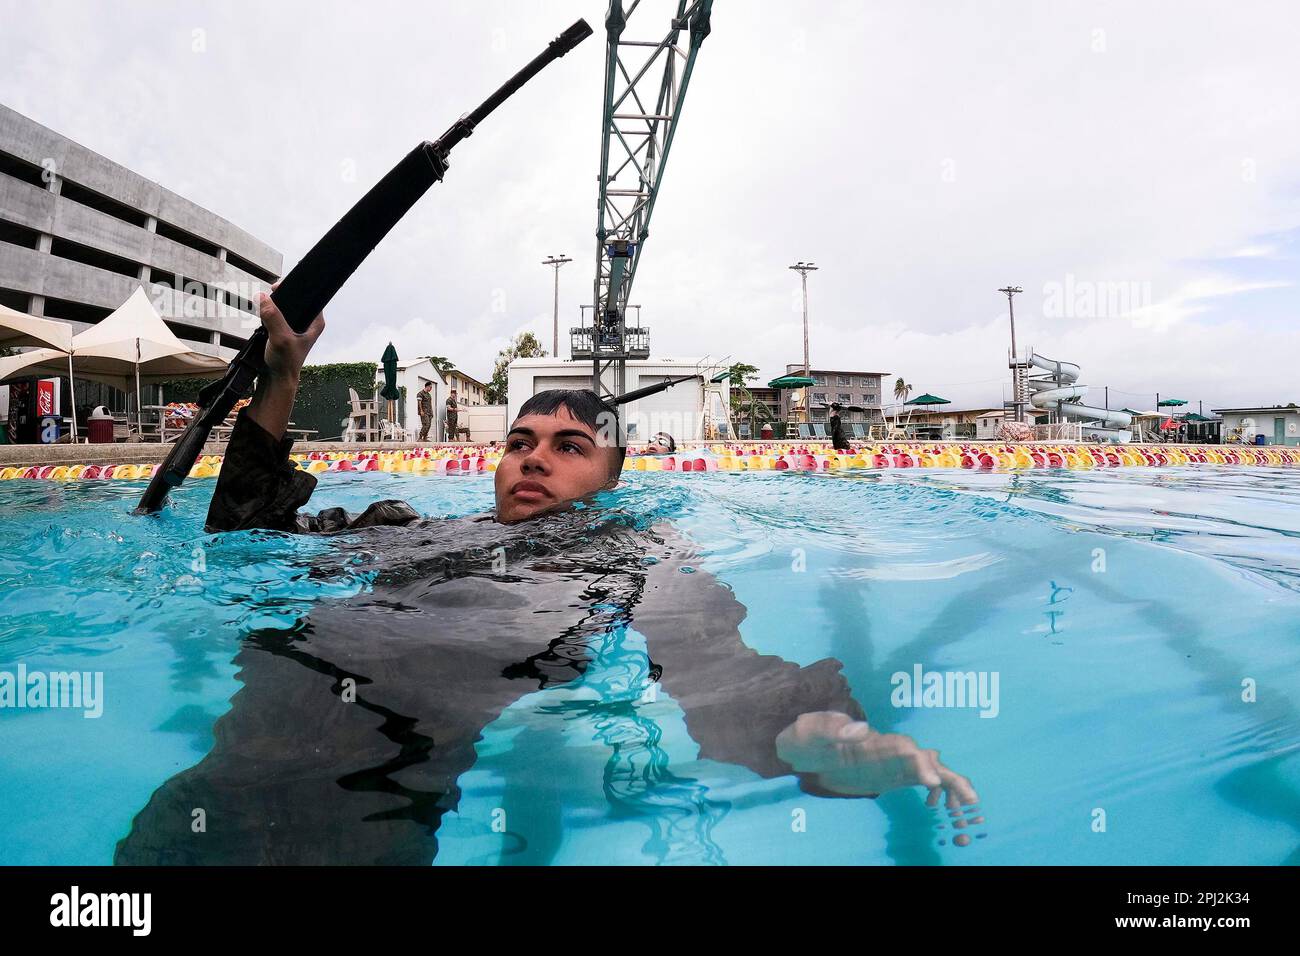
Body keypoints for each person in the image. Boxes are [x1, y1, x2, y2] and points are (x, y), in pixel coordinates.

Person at [113, 292, 978, 864]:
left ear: (612, 475)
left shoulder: (628, 557)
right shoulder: (407, 529)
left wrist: (830, 741)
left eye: (570, 449)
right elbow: (244, 538)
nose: (535, 461)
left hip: (370, 797)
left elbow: (716, 664)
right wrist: (283, 379)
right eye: (520, 445)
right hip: (218, 787)